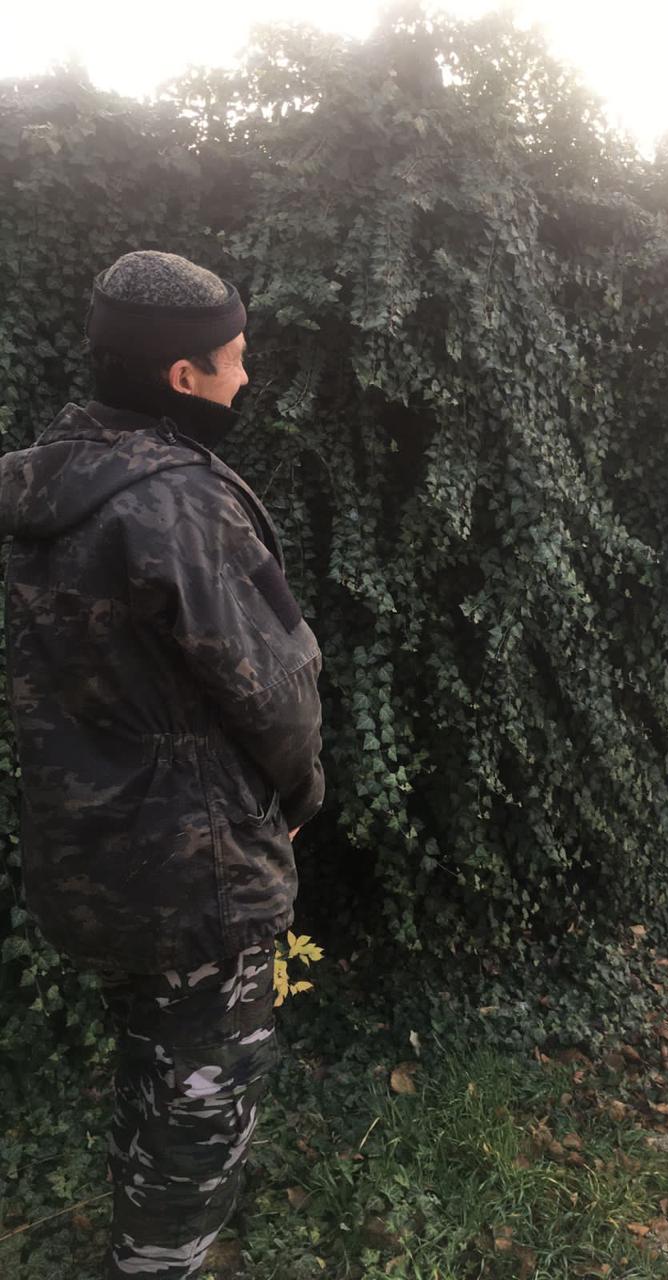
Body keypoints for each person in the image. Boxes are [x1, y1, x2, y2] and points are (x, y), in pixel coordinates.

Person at [0, 251, 325, 1277]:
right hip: (198, 869)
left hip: (82, 849)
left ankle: (143, 1236)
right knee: (198, 1093)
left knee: (149, 1056)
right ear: (183, 375)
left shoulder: (35, 484)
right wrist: (302, 789)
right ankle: (158, 1259)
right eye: (235, 359)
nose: (246, 378)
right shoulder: (179, 502)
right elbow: (273, 686)